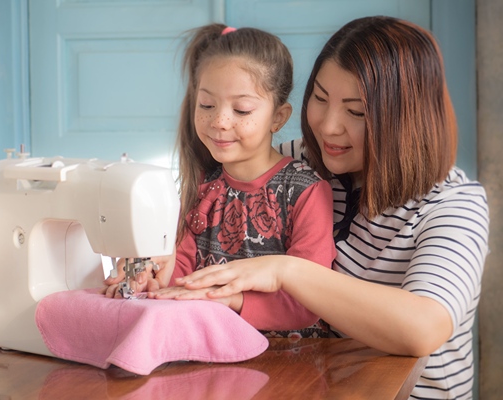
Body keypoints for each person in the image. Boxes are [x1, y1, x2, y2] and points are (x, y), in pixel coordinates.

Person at [166, 16, 490, 399]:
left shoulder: (454, 206)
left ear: (406, 119)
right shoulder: (296, 164)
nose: (328, 127)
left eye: (356, 112)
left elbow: (422, 328)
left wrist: (287, 270)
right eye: (320, 98)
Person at [105, 23, 336, 338]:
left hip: (292, 364)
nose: (219, 121)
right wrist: (149, 273)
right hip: (215, 351)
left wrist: (233, 300)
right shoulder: (205, 186)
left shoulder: (305, 191)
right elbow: (182, 273)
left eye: (241, 110)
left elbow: (312, 298)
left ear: (278, 117)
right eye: (207, 105)